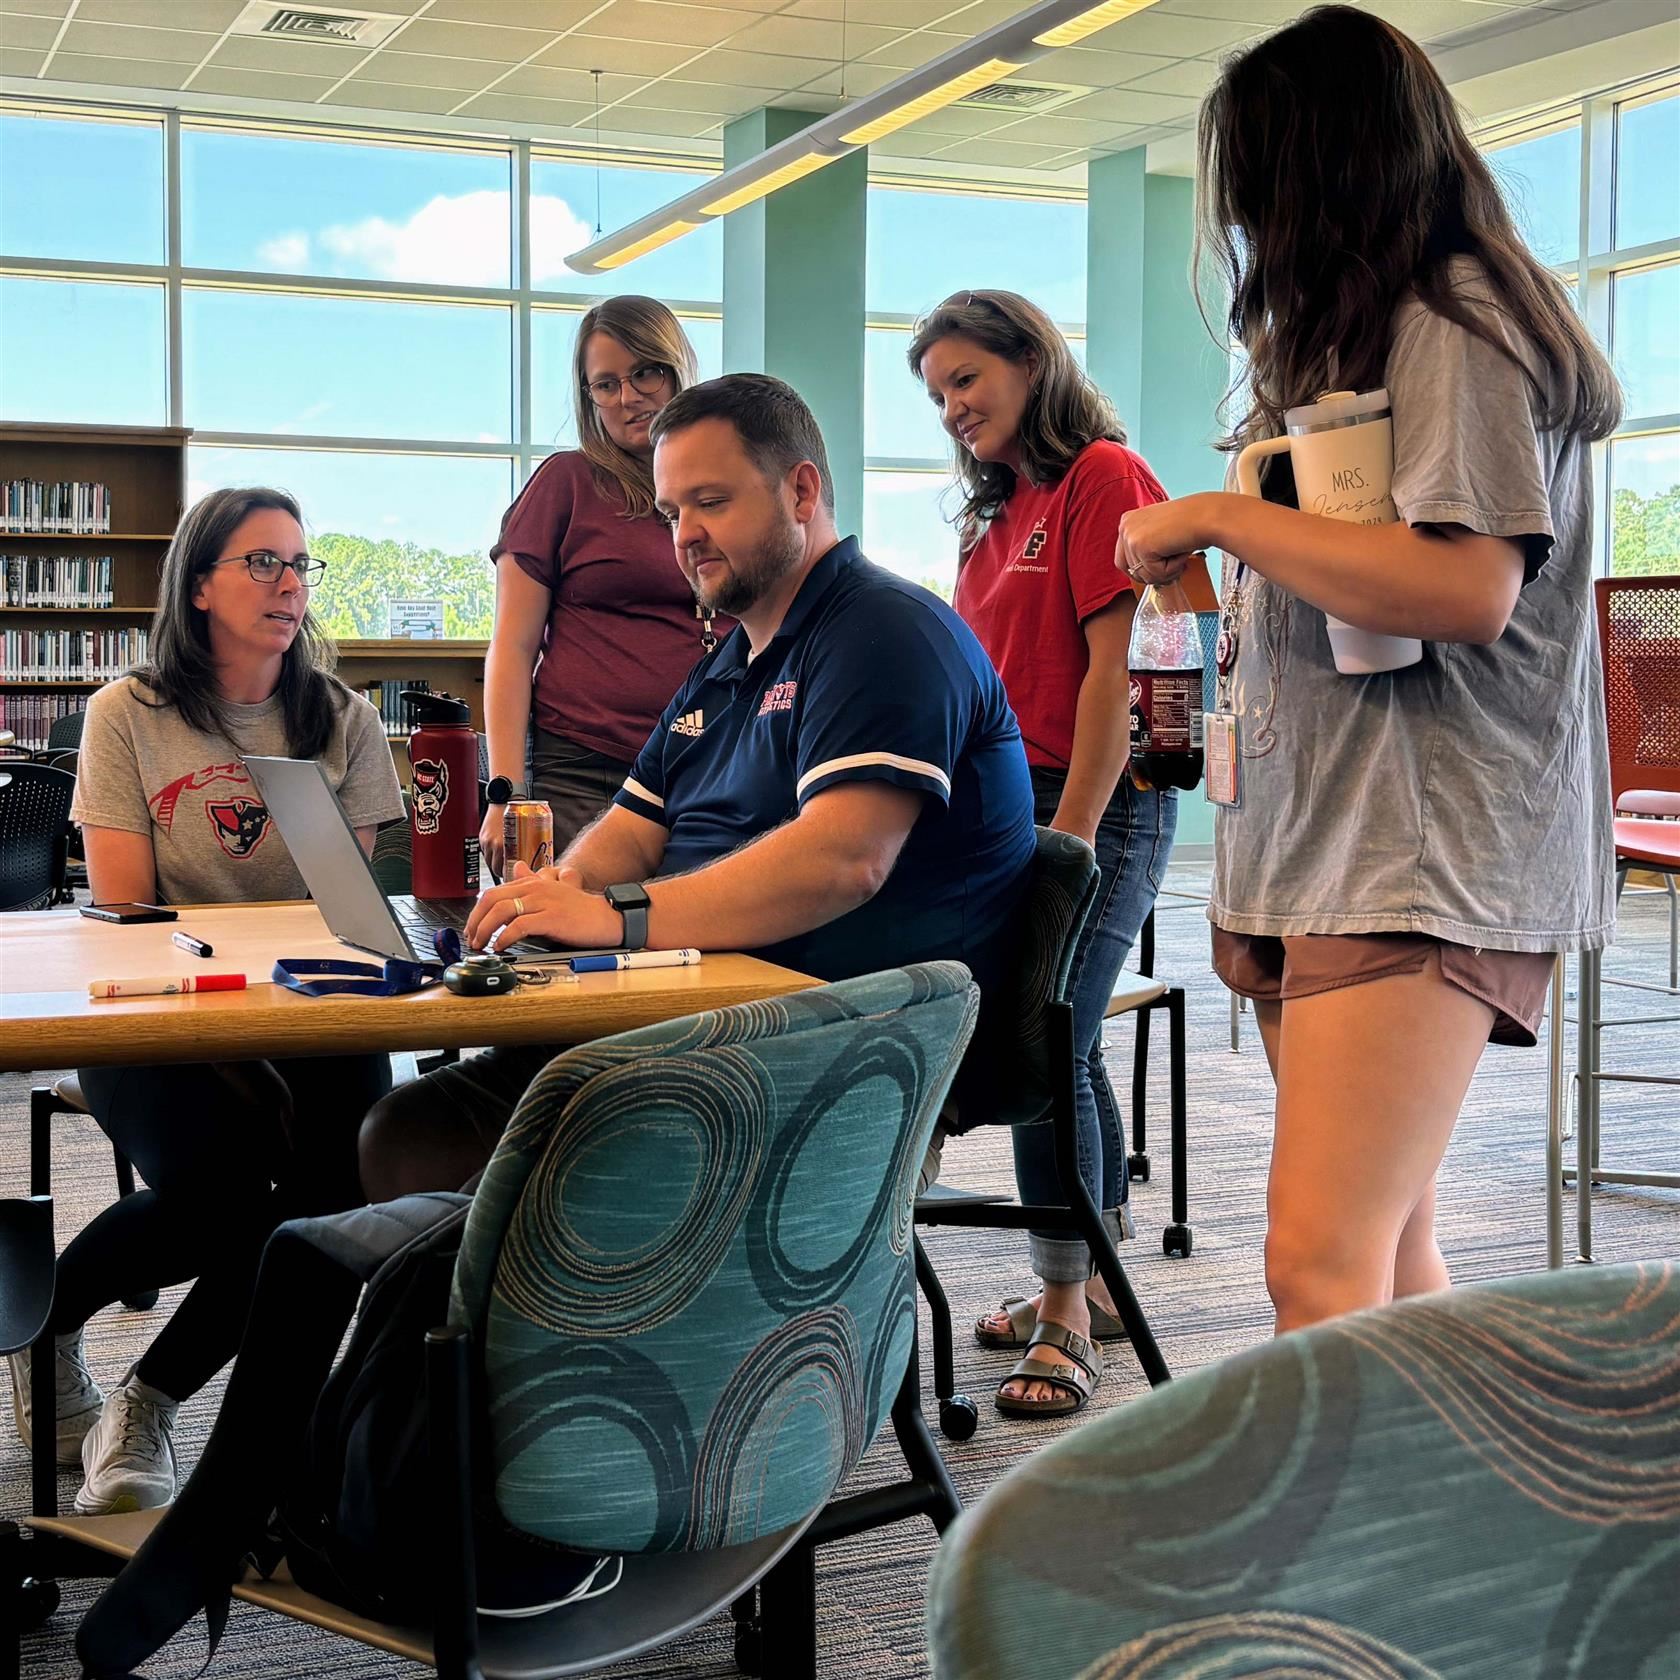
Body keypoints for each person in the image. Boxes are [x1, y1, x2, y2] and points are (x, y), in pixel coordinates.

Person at [1115, 5, 1621, 1336]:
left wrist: (1223, 516)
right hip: (1337, 836)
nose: (1252, 224)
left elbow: (1466, 588)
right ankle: (1454, 1538)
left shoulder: (1456, 321)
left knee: (1318, 1267)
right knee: (1385, 1266)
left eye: (1265, 183)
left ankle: (1337, 1548)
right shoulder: (1370, 335)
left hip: (1421, 849)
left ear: (1328, 170)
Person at [359, 373, 1036, 1200]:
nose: (686, 535)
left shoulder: (885, 631)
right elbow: (637, 823)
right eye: (674, 511)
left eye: (710, 502)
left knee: (453, 1200)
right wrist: (557, 893)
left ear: (801, 490)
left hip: (839, 1049)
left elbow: (843, 859)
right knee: (406, 1136)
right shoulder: (731, 658)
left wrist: (616, 917)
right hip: (704, 1016)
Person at [8, 488, 404, 1515]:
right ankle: (50, 1321)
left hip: (308, 1006)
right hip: (159, 1006)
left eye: (300, 566)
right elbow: (129, 906)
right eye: (263, 563)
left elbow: (342, 911)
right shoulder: (127, 715)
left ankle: (151, 1396)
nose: (289, 586)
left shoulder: (344, 719)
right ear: (199, 586)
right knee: (229, 1195)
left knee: (340, 1200)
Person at [910, 289, 1217, 1417]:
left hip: (1096, 804)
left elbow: (1113, 670)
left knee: (1049, 1047)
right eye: (936, 392)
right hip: (1004, 810)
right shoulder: (996, 513)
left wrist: (1074, 835)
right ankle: (1092, 1280)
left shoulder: (1104, 478)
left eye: (965, 380)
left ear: (1031, 362)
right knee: (1067, 1047)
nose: (950, 407)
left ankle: (1069, 1313)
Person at [479, 295, 731, 875]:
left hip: (709, 766)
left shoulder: (724, 488)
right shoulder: (567, 483)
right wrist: (507, 794)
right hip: (583, 772)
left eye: (646, 372)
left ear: (678, 369)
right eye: (606, 384)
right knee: (569, 944)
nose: (628, 397)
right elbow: (512, 649)